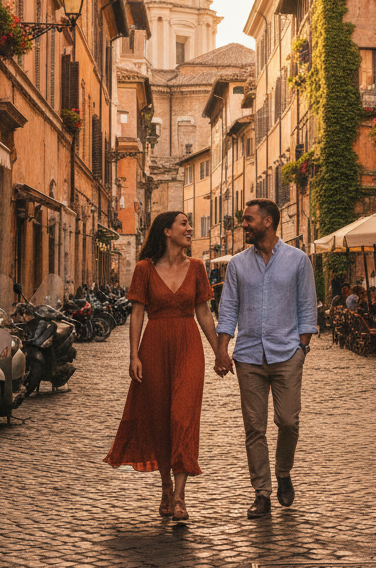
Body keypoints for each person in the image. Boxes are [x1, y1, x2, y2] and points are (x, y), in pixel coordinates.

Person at [104, 211, 232, 522]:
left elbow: (203, 313)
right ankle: (164, 486)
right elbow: (137, 314)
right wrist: (134, 355)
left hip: (189, 347)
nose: (190, 229)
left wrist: (219, 351)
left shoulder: (198, 268)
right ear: (166, 231)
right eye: (184, 224)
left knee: (183, 417)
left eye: (190, 223)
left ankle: (180, 496)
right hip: (154, 346)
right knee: (161, 418)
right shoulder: (144, 269)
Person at [216, 199, 318, 519]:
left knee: (288, 421)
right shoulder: (237, 264)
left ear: (268, 222)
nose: (243, 224)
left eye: (248, 220)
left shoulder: (298, 261)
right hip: (248, 356)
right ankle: (261, 493)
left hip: (287, 353)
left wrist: (302, 348)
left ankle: (283, 470)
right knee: (254, 429)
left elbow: (307, 308)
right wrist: (222, 349)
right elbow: (228, 309)